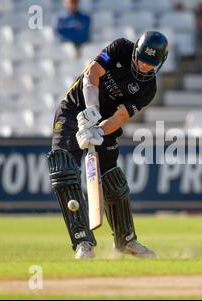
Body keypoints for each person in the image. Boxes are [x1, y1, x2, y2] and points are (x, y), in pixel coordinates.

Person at [47, 31, 169, 259]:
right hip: (74, 109)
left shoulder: (148, 89)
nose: (143, 66)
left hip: (105, 124)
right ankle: (83, 241)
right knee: (64, 170)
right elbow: (92, 73)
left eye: (150, 64)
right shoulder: (121, 47)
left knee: (113, 179)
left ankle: (126, 240)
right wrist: (91, 109)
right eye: (141, 59)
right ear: (135, 51)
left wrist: (99, 130)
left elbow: (120, 117)